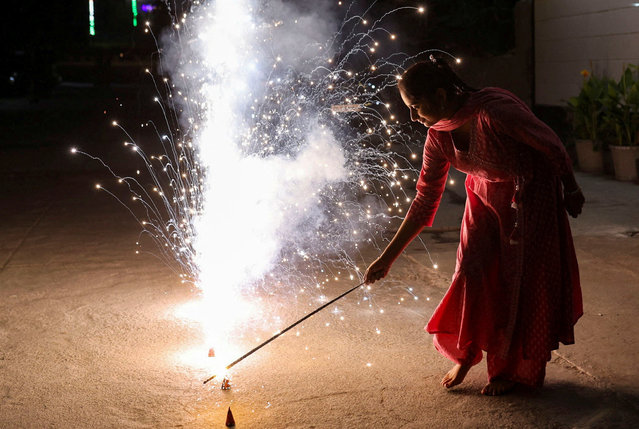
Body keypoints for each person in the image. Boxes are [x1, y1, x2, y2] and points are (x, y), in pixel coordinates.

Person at [363, 57, 584, 396]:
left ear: (440, 95)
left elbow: (551, 143)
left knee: (519, 280)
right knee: (470, 269)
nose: (413, 116)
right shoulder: (437, 136)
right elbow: (425, 199)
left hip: (528, 192)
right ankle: (466, 353)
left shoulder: (494, 113)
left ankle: (511, 371)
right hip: (483, 195)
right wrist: (387, 259)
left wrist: (570, 187)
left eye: (417, 106)